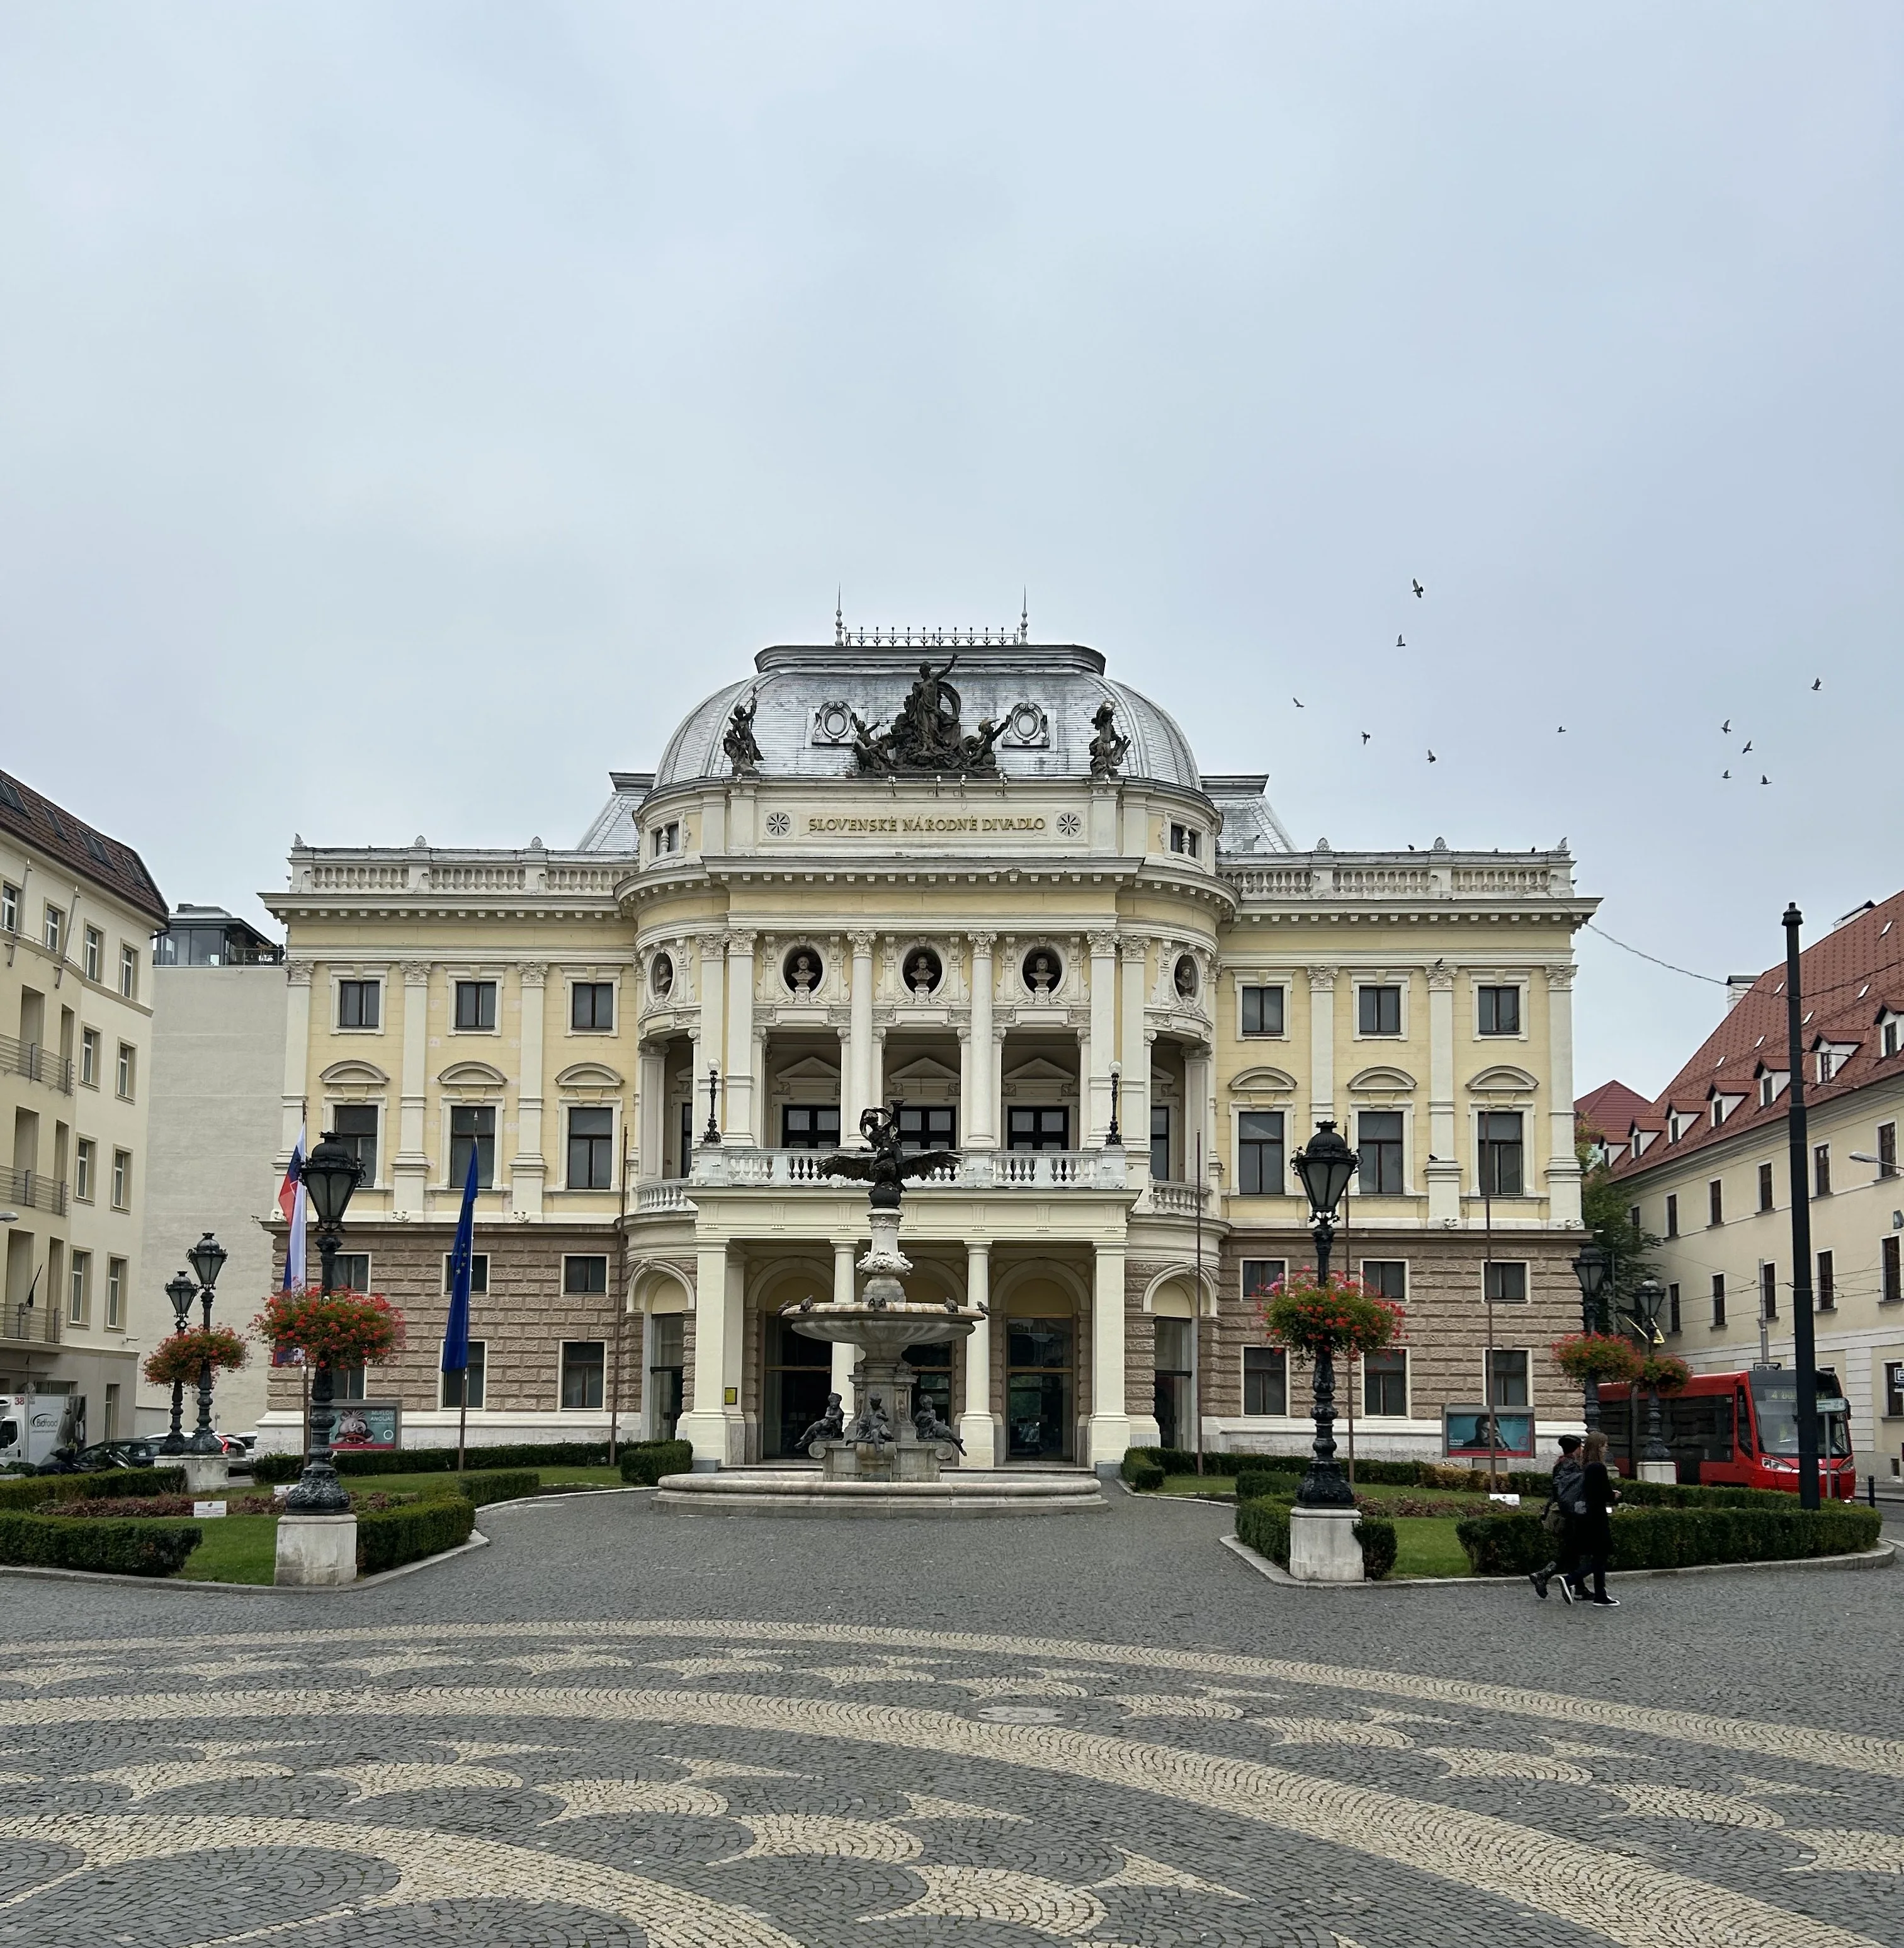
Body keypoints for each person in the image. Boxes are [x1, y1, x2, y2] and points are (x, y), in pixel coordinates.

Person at [1529, 1434, 1584, 1604]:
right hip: (1569, 1513)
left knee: (1573, 1551)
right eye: (1580, 1447)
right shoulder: (1570, 1465)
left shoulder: (1561, 1463)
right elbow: (1568, 1491)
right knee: (1571, 1550)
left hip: (1564, 1511)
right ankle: (1543, 1575)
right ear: (1576, 1449)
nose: (1582, 1450)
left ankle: (1580, 1588)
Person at [1575, 1430, 1622, 1607]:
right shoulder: (1598, 1467)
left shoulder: (1586, 1466)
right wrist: (1613, 1495)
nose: (1606, 1448)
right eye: (1604, 1445)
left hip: (1587, 1515)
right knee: (1600, 1557)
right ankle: (1571, 1579)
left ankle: (1600, 1595)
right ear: (1598, 1447)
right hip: (1597, 1517)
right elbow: (1602, 1493)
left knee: (1597, 1557)